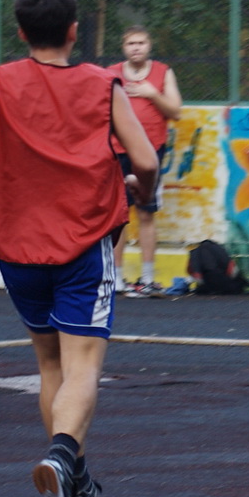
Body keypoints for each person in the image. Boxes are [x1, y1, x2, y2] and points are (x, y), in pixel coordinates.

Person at [0, 0, 158, 497]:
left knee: (50, 366)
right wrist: (142, 192)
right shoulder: (103, 84)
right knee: (83, 366)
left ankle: (77, 482)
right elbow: (144, 160)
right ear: (73, 31)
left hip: (18, 246)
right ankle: (64, 459)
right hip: (82, 243)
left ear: (21, 32)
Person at [105, 27, 181, 297]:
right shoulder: (110, 73)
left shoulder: (163, 72)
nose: (136, 47)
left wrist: (152, 94)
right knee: (118, 216)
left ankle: (147, 278)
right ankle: (115, 278)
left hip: (150, 152)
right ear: (124, 47)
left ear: (149, 46)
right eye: (131, 43)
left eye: (141, 43)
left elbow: (176, 111)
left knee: (146, 213)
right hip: (116, 151)